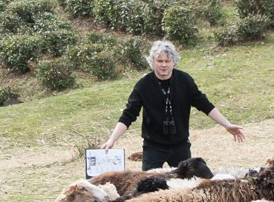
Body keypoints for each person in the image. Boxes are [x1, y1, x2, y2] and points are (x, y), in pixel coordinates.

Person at [101, 40, 244, 169]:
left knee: (186, 187)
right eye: (159, 61)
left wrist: (227, 125)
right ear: (153, 62)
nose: (163, 65)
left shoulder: (184, 80)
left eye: (167, 61)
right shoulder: (143, 85)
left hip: (180, 145)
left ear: (174, 62)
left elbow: (205, 105)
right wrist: (112, 140)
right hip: (153, 147)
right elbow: (129, 114)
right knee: (148, 189)